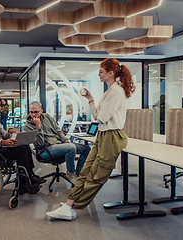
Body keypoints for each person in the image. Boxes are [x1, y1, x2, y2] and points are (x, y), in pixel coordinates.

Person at [46, 58, 135, 220]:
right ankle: (68, 205)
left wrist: (95, 105)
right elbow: (96, 116)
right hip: (103, 134)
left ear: (111, 72)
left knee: (96, 176)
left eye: (101, 71)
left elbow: (101, 117)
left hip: (112, 136)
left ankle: (72, 205)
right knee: (86, 171)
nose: (99, 74)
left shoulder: (117, 91)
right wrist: (90, 99)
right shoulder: (109, 91)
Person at [0, 93, 45, 195]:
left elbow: (3, 133)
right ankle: (25, 182)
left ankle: (29, 175)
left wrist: (10, 132)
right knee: (21, 150)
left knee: (24, 145)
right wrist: (2, 142)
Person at [24, 101, 90, 180]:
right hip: (45, 149)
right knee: (71, 148)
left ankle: (78, 173)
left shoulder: (47, 117)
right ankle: (71, 173)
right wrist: (38, 127)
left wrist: (65, 141)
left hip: (58, 144)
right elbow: (39, 144)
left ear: (41, 111)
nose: (33, 115)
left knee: (86, 149)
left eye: (36, 112)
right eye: (31, 112)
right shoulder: (27, 126)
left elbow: (57, 130)